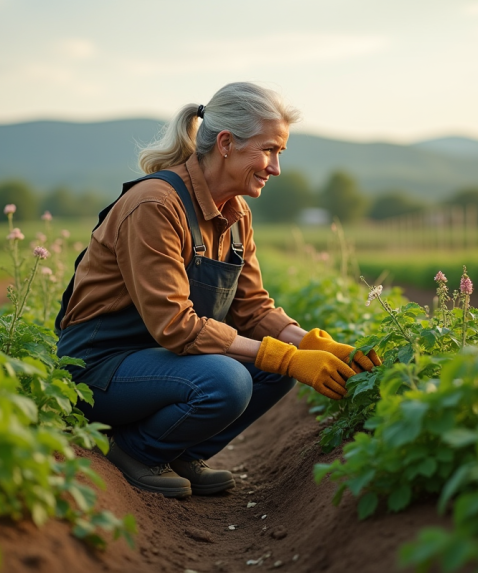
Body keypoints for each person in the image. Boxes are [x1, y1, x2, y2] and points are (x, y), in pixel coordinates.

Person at [56, 82, 380, 499]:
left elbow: (253, 308)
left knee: (273, 372)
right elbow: (174, 325)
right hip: (99, 368)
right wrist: (285, 356)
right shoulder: (155, 205)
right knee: (229, 379)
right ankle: (136, 450)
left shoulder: (235, 212)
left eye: (279, 153)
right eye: (268, 150)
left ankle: (180, 452)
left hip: (159, 361)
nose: (275, 167)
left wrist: (319, 344)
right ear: (226, 144)